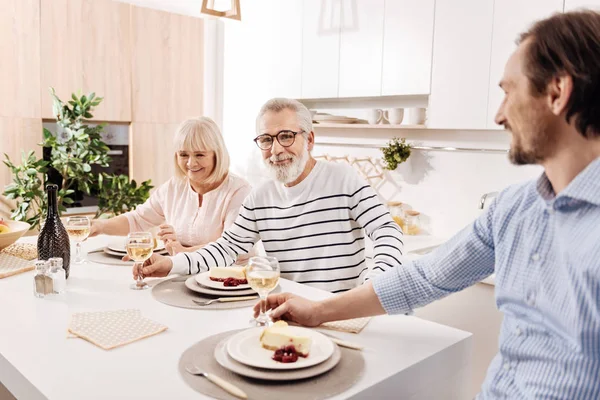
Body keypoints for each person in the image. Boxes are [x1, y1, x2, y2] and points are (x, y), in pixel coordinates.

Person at [254, 10, 600, 399]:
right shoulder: (513, 209)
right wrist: (317, 310)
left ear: (557, 92)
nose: (499, 114)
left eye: (508, 91)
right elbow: (424, 277)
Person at [133, 98, 404, 293]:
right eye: (266, 139)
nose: (275, 149)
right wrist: (171, 264)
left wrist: (375, 283)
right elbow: (227, 249)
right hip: (286, 305)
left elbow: (386, 230)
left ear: (309, 140)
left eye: (286, 136)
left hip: (341, 305)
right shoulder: (259, 197)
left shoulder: (343, 179)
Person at [90, 117, 251, 256]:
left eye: (200, 155)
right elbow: (138, 220)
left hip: (231, 281)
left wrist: (183, 253)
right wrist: (100, 225)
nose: (191, 163)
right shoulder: (174, 187)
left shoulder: (239, 191)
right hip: (184, 275)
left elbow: (232, 247)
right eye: (183, 155)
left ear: (217, 154)